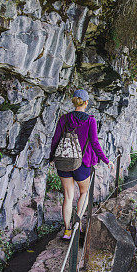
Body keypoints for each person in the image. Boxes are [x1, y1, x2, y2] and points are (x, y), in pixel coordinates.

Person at [49, 89, 113, 240]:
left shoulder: (63, 119)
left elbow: (55, 140)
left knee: (68, 196)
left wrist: (52, 157)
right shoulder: (90, 120)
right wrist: (106, 160)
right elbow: (95, 143)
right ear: (86, 103)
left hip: (63, 162)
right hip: (82, 163)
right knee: (84, 193)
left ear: (74, 101)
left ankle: (67, 231)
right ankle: (78, 226)